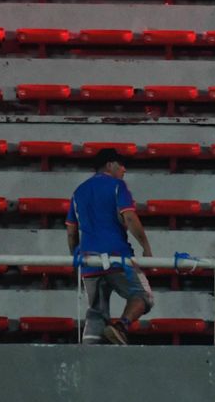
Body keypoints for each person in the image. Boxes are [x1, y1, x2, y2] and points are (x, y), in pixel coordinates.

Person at [66, 148, 154, 345]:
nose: (124, 170)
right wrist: (146, 247)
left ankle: (89, 355)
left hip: (89, 261)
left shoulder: (78, 191)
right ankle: (121, 326)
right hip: (117, 258)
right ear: (110, 165)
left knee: (96, 311)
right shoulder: (117, 186)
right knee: (143, 295)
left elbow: (71, 231)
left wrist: (76, 258)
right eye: (121, 165)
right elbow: (130, 217)